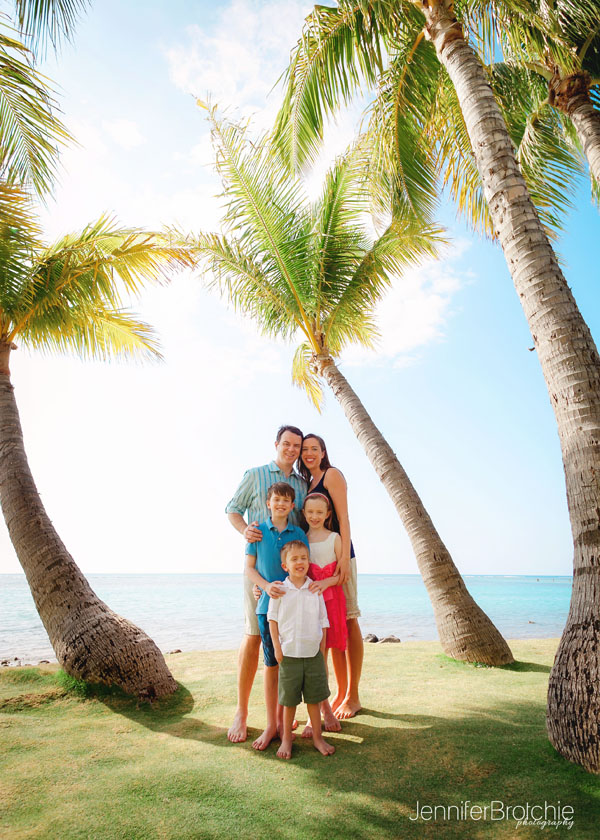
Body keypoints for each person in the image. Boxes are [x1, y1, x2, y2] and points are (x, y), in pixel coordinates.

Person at [225, 425, 307, 743]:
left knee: (283, 646)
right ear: (276, 444)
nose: (291, 450)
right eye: (286, 444)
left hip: (287, 582)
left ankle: (279, 717)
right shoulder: (255, 474)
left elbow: (299, 528)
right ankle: (242, 713)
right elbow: (232, 509)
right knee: (252, 637)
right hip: (257, 574)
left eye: (296, 446)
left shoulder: (301, 484)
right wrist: (245, 530)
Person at [298, 433, 363, 719]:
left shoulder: (331, 475)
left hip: (339, 556)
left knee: (349, 619)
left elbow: (345, 517)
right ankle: (340, 691)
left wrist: (345, 559)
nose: (309, 453)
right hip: (318, 561)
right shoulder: (308, 484)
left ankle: (354, 695)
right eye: (305, 449)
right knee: (332, 626)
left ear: (323, 452)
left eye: (315, 448)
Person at [245, 482, 309, 751]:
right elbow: (249, 568)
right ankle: (271, 724)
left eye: (286, 500)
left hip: (293, 611)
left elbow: (303, 567)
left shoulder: (299, 533)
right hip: (266, 609)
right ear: (268, 502)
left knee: (288, 665)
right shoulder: (258, 531)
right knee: (271, 665)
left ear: (292, 505)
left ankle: (285, 722)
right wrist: (265, 585)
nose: (281, 504)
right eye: (276, 500)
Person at [268, 540, 335, 759]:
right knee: (289, 703)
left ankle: (317, 737)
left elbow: (323, 623)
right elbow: (272, 620)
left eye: (304, 558)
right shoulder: (279, 591)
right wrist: (277, 649)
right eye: (294, 559)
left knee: (314, 701)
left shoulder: (315, 590)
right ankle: (287, 739)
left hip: (313, 655)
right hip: (289, 655)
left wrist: (322, 654)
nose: (300, 562)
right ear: (285, 565)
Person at [302, 492, 346, 737]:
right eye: (310, 512)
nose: (315, 517)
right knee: (314, 658)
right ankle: (319, 711)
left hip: (330, 601)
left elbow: (342, 573)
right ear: (304, 514)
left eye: (320, 512)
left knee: (324, 656)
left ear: (327, 514)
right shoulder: (302, 539)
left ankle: (325, 708)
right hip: (309, 605)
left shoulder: (335, 538)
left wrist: (327, 582)